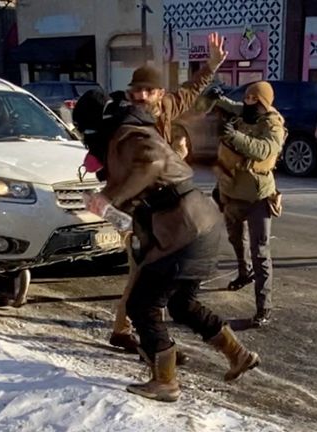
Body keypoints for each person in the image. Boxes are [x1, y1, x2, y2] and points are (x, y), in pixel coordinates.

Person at [73, 89, 260, 403]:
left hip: (184, 229)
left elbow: (154, 161)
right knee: (182, 305)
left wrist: (108, 199)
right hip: (200, 224)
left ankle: (165, 381)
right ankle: (238, 354)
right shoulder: (131, 131)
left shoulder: (127, 134)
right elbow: (139, 197)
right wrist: (109, 207)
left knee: (141, 305)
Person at [108, 31, 228, 354]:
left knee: (148, 274)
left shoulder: (167, 107)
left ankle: (131, 331)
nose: (142, 96)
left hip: (162, 210)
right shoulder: (124, 120)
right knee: (144, 273)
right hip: (139, 209)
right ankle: (144, 338)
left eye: (149, 91)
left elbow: (192, 90)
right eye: (137, 91)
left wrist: (212, 65)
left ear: (160, 94)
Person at [212, 81, 285, 327]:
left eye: (252, 99)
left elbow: (263, 150)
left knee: (260, 252)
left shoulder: (273, 125)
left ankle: (264, 307)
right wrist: (215, 95)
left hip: (258, 196)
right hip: (232, 192)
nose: (246, 103)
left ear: (262, 102)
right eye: (246, 98)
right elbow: (229, 105)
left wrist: (234, 136)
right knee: (235, 239)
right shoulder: (245, 112)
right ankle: (244, 273)